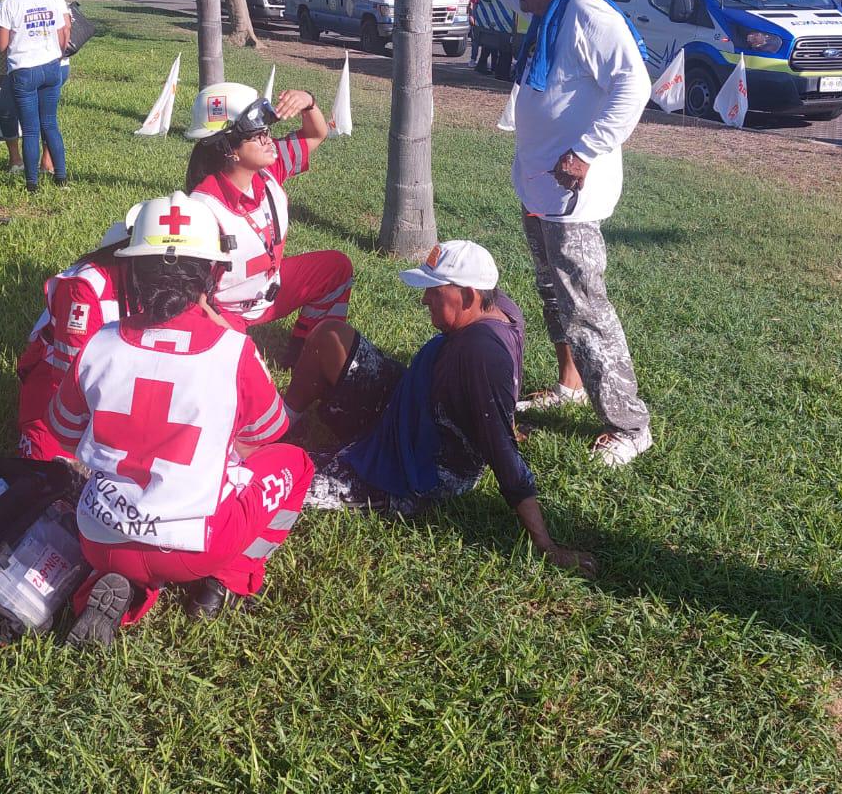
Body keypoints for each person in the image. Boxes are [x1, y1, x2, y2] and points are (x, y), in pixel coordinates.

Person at [56, 193, 313, 646]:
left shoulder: (98, 343)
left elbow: (62, 430)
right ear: (214, 273)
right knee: (295, 464)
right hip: (194, 549)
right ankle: (228, 580)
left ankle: (118, 588)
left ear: (134, 270)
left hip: (98, 534)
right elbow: (270, 433)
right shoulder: (233, 351)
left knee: (123, 552)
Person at [285, 240, 595, 575]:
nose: (424, 299)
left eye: (434, 291)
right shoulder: (502, 307)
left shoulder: (481, 354)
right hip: (411, 401)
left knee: (283, 477)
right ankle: (278, 424)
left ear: (468, 296)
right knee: (330, 337)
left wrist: (546, 545)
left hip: (421, 467)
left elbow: (503, 455)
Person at [493, 0, 654, 467]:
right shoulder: (552, 12)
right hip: (541, 185)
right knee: (552, 291)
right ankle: (571, 384)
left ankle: (630, 425)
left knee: (584, 304)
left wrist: (585, 151)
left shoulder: (588, 13)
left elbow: (634, 85)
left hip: (572, 192)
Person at [184, 82, 352, 368]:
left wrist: (308, 100)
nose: (268, 140)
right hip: (225, 311)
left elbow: (316, 133)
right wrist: (232, 338)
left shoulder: (268, 170)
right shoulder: (201, 209)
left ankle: (304, 351)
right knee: (248, 374)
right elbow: (192, 298)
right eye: (257, 135)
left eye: (267, 131)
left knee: (336, 268)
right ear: (229, 150)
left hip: (271, 289)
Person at [16, 218, 132, 462]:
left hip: (123, 387)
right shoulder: (85, 288)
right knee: (52, 472)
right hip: (60, 391)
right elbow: (69, 374)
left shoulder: (159, 284)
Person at [0, 0, 70, 192]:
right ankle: (61, 177)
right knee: (50, 124)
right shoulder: (47, 0)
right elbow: (62, 38)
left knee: (30, 129)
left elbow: (1, 45)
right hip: (50, 68)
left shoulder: (10, 3)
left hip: (24, 71)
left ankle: (32, 183)